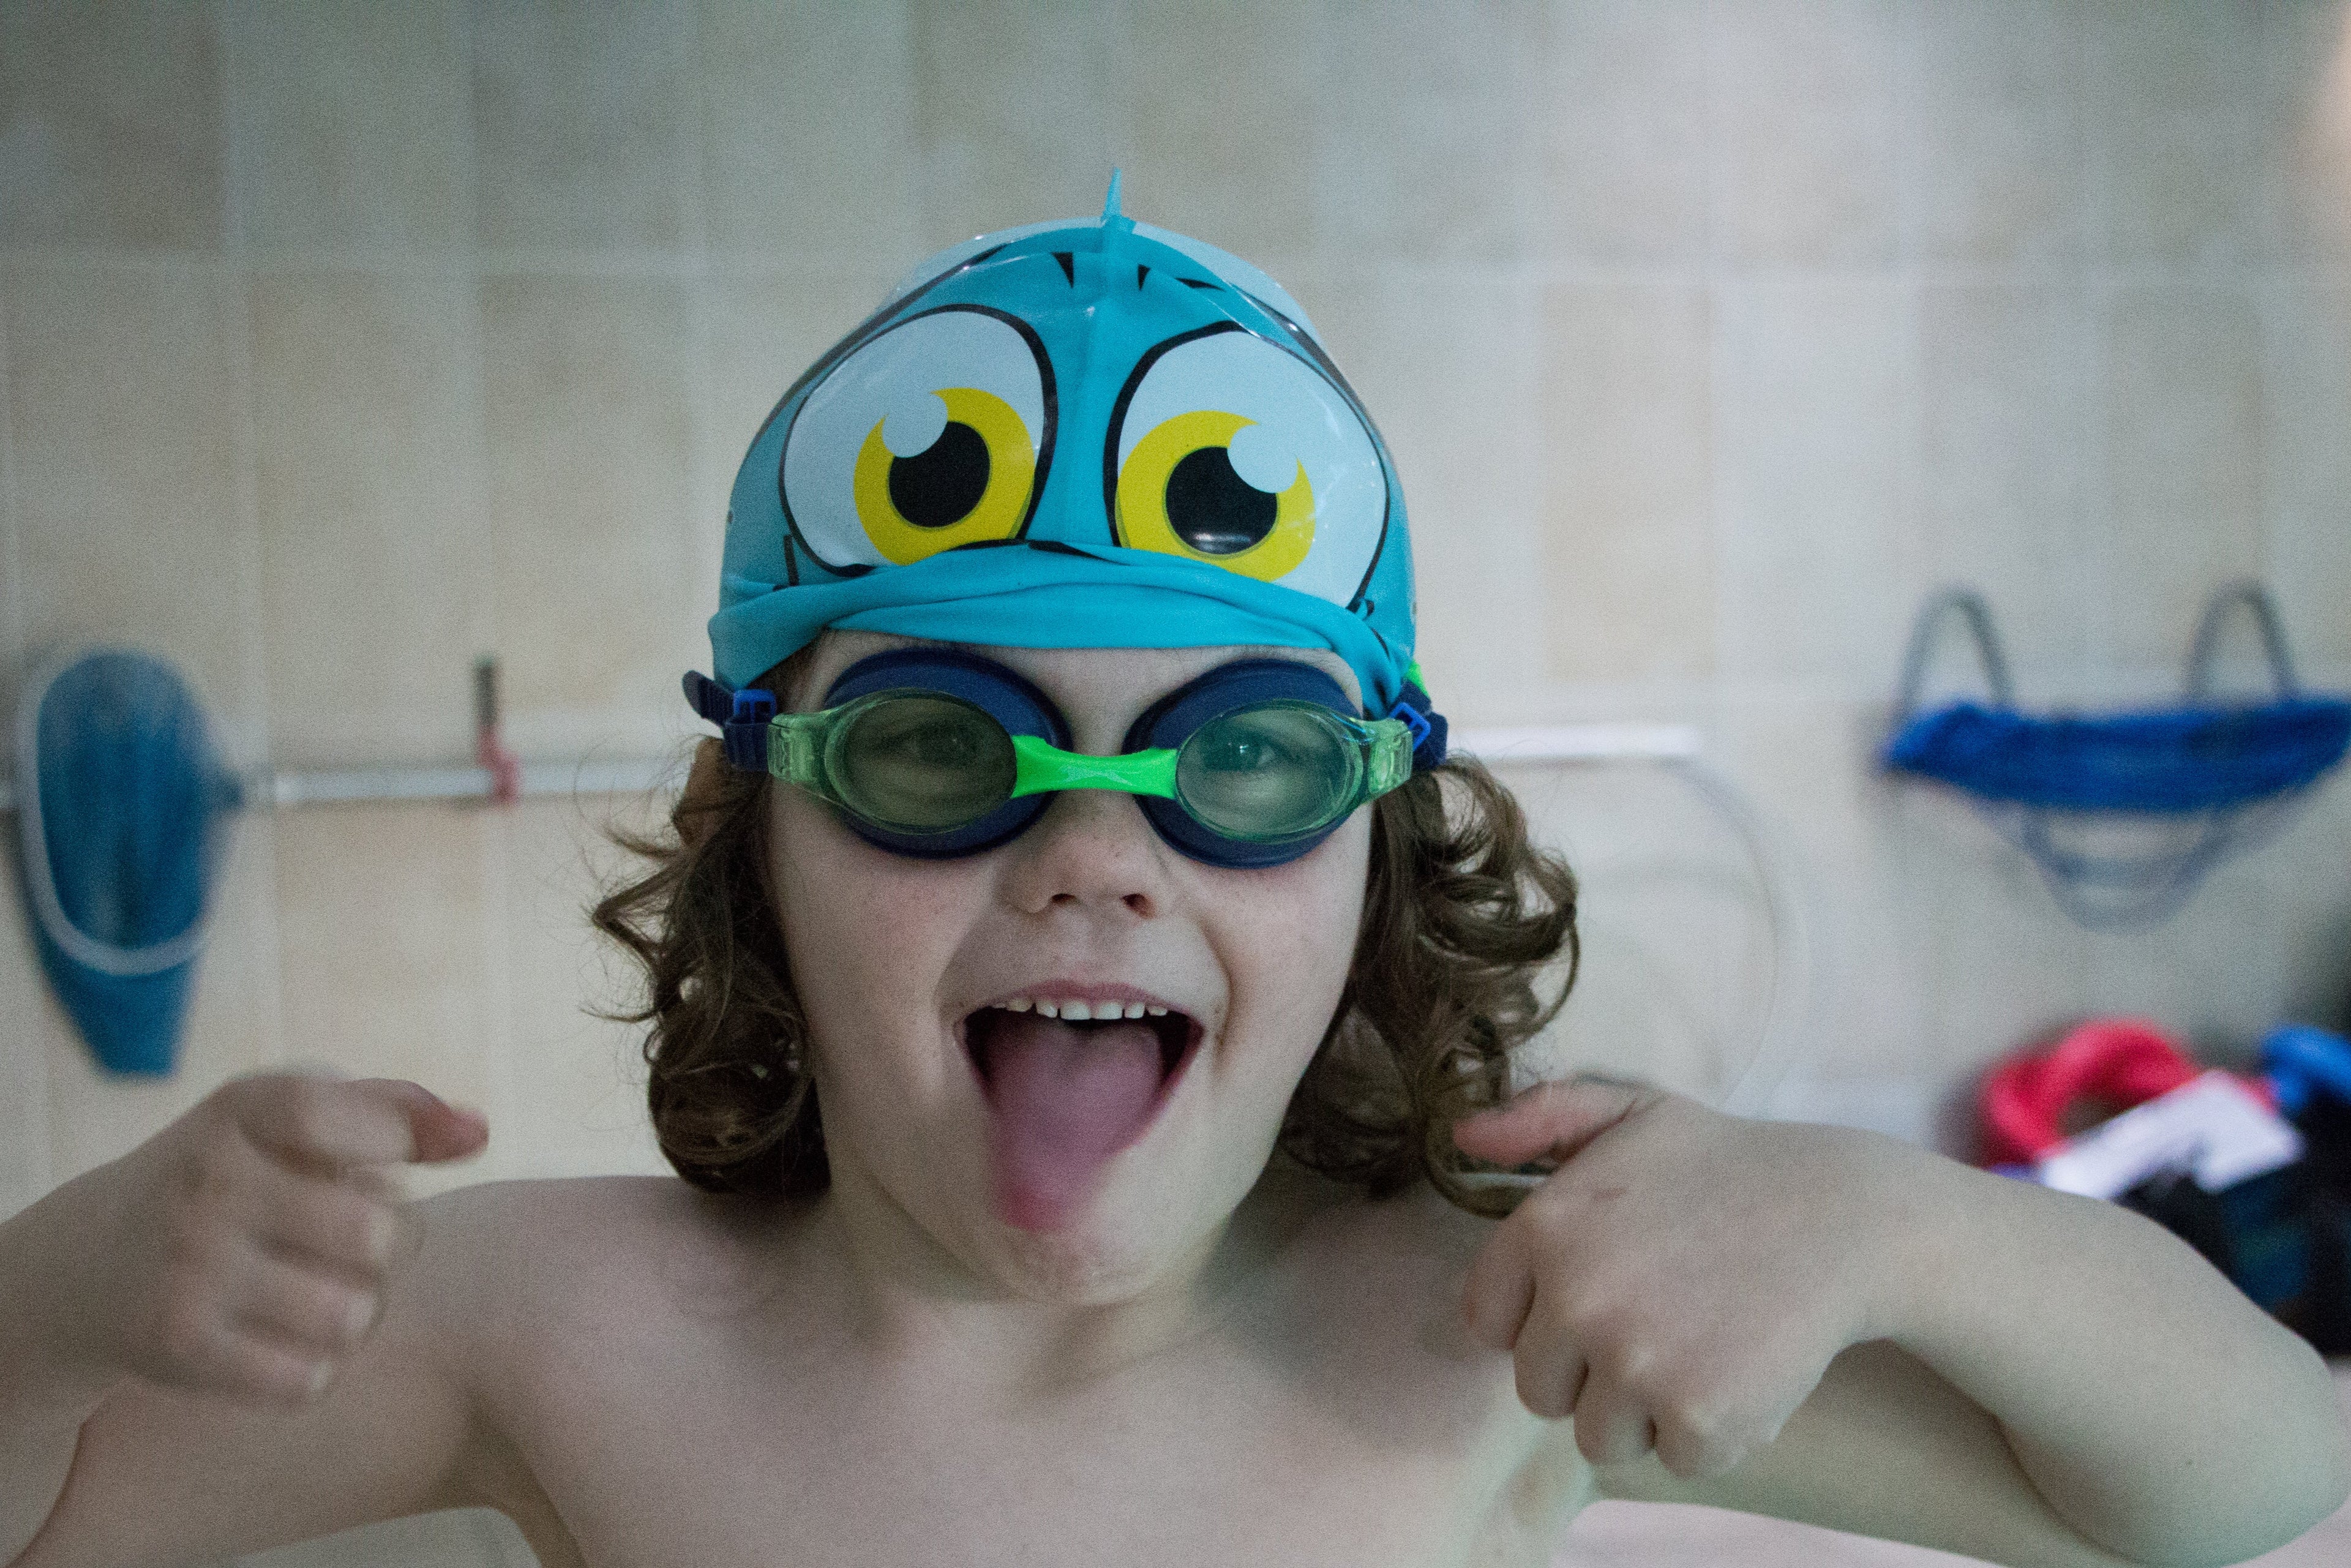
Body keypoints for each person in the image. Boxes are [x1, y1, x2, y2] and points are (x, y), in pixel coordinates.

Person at [3, 192, 2346, 1568]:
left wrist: (1893, 1219)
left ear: (1373, 864)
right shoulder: (561, 1326)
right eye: (939, 751)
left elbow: (2258, 1478)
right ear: (761, 853)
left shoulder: (1484, 1332)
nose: (1094, 856)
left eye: (1238, 760)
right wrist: (64, 1289)